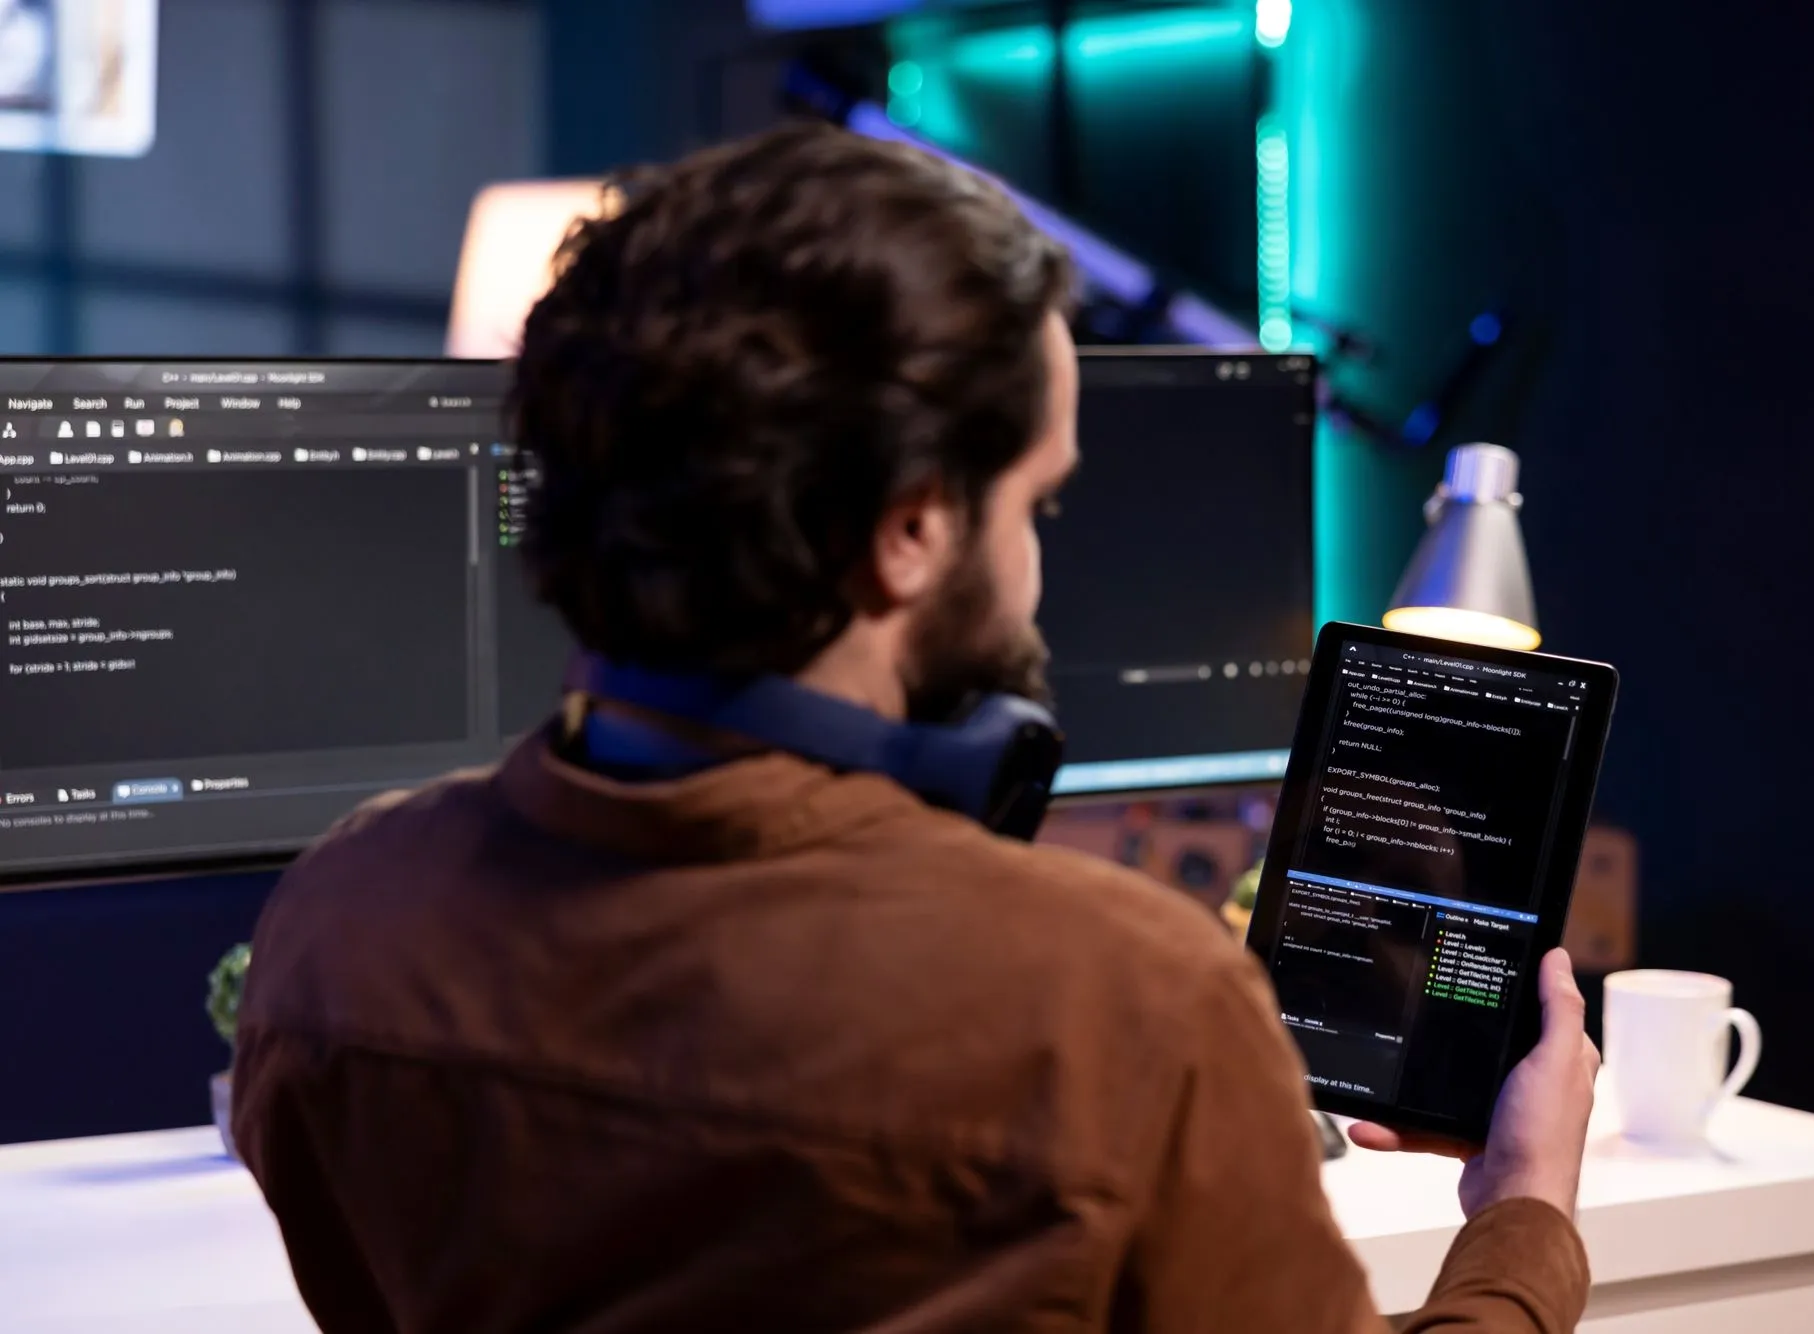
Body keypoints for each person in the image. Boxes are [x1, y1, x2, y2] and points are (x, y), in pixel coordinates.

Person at [233, 122, 1598, 1333]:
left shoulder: (343, 926)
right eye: (1036, 508)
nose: (1038, 566)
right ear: (911, 533)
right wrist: (1523, 1217)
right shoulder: (1122, 1010)